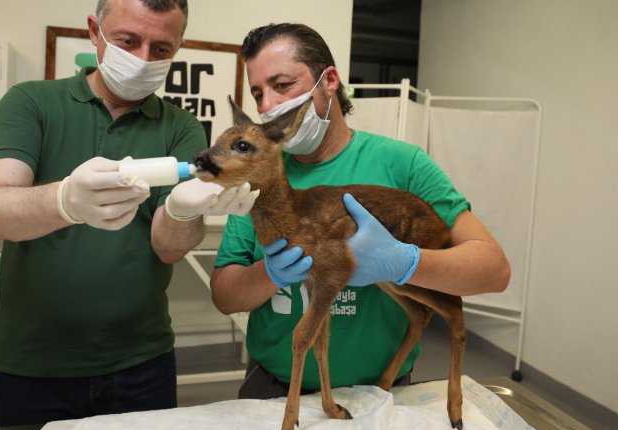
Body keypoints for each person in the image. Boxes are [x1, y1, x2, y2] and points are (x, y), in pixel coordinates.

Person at [0, 0, 258, 427]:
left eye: (161, 49)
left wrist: (181, 211)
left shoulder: (180, 126)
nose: (143, 59)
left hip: (141, 363)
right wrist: (64, 201)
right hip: (33, 364)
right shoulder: (31, 103)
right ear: (95, 30)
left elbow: (168, 250)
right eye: (128, 41)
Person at [210, 23, 511, 399]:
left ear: (329, 81)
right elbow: (225, 297)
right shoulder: (257, 175)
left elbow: (494, 270)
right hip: (272, 389)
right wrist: (270, 272)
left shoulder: (403, 165)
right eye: (258, 93)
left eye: (282, 85)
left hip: (384, 394)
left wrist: (405, 262)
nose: (268, 106)